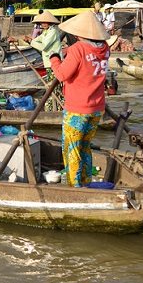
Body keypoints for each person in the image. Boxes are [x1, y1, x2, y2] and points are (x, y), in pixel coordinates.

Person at [48, 11, 110, 188]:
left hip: (77, 110)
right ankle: (86, 183)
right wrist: (68, 52)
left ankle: (74, 187)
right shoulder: (105, 48)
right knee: (85, 147)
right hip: (96, 108)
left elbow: (61, 74)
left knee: (72, 149)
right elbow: (87, 57)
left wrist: (54, 59)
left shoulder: (78, 49)